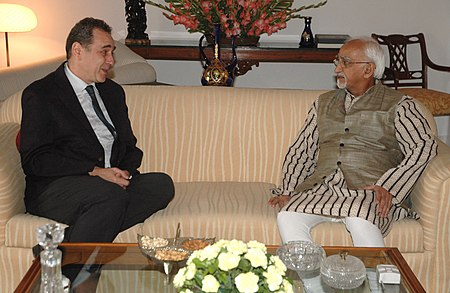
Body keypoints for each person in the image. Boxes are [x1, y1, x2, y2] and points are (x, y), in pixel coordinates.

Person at [269, 37, 437, 247]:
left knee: (358, 218)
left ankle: (380, 278)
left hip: (369, 191)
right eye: (337, 61)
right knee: (288, 215)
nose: (337, 69)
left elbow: (423, 147)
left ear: (368, 70)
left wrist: (389, 187)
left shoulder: (400, 105)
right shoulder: (323, 103)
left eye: (345, 62)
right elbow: (302, 149)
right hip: (323, 188)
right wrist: (288, 189)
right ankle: (312, 279)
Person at [20, 17, 175, 244]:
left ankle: (62, 244)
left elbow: (129, 146)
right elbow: (36, 160)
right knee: (110, 197)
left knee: (161, 184)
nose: (111, 60)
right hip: (57, 187)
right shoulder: (41, 94)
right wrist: (94, 171)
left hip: (107, 186)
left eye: (112, 52)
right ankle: (74, 273)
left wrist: (122, 172)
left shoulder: (112, 93)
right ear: (78, 50)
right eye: (104, 52)